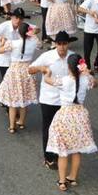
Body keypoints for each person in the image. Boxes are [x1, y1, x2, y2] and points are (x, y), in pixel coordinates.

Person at [45, 54, 97, 191]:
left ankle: (62, 181)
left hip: (65, 115)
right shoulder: (86, 79)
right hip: (80, 115)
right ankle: (73, 177)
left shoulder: (65, 80)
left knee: (63, 151)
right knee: (76, 149)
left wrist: (47, 73)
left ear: (68, 66)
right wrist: (88, 73)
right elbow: (95, 84)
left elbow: (47, 80)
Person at [28, 31, 76, 170]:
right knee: (48, 128)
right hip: (48, 99)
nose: (62, 47)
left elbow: (83, 71)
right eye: (59, 44)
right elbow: (30, 69)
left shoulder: (73, 57)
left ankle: (60, 154)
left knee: (63, 129)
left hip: (66, 101)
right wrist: (41, 68)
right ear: (55, 44)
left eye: (64, 44)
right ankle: (49, 157)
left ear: (68, 44)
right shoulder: (47, 56)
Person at [0, 23, 39, 134]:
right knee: (24, 98)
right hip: (28, 70)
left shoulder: (13, 43)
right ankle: (21, 122)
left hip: (15, 70)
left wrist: (2, 43)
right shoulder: (34, 42)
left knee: (12, 100)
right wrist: (33, 35)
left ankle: (11, 126)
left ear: (19, 32)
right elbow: (41, 45)